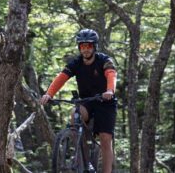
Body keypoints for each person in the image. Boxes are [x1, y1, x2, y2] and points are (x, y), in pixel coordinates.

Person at [40, 28, 118, 173]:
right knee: (75, 115)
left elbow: (111, 75)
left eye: (89, 46)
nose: (86, 50)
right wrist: (49, 94)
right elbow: (61, 77)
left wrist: (109, 91)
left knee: (105, 138)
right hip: (87, 101)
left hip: (105, 102)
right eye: (83, 46)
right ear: (79, 48)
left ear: (94, 47)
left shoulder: (104, 60)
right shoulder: (76, 63)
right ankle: (84, 159)